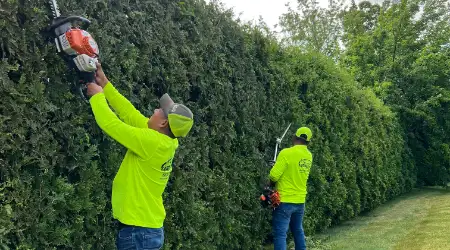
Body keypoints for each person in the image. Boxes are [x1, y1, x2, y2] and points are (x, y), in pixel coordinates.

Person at [85, 63, 194, 250]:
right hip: (147, 230)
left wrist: (97, 97)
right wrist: (104, 83)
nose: (155, 110)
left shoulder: (152, 141)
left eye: (159, 111)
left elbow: (112, 125)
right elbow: (128, 113)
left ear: (163, 123)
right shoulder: (164, 140)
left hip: (139, 233)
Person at [269, 127, 313, 250]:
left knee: (280, 235)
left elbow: (274, 176)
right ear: (308, 141)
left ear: (295, 137)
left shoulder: (285, 153)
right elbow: (293, 170)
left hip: (284, 201)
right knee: (298, 230)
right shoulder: (308, 156)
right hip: (300, 201)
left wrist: (274, 166)